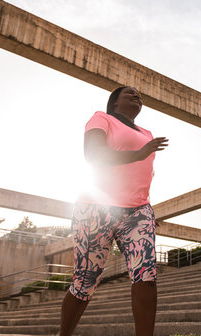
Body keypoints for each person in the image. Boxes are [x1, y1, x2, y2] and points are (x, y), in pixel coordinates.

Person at [60, 86, 168, 336]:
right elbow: (93, 155)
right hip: (96, 207)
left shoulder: (146, 133)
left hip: (137, 211)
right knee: (85, 281)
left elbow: (143, 174)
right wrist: (140, 153)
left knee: (146, 275)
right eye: (129, 93)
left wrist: (148, 212)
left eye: (139, 94)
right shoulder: (102, 118)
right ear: (114, 102)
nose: (137, 95)